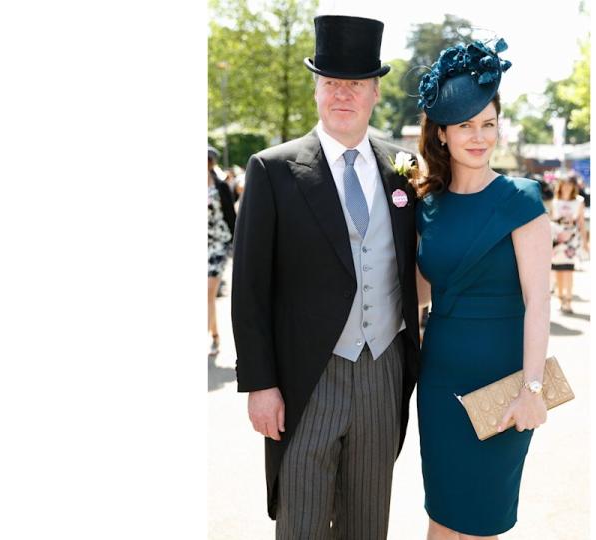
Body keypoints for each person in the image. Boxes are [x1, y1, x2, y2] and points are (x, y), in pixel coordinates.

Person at [230, 15, 420, 539]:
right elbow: (248, 289)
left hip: (384, 368)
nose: (343, 94)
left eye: (355, 83)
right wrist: (260, 383)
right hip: (305, 378)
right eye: (331, 82)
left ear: (375, 91)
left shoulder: (403, 166)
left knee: (367, 524)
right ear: (316, 87)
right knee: (303, 524)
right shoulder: (273, 169)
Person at [413, 38, 552, 538]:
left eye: (488, 124)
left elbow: (540, 300)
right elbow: (419, 294)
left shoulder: (521, 200)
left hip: (504, 384)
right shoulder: (427, 205)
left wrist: (533, 389)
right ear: (443, 134)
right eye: (466, 125)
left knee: (481, 521)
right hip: (439, 383)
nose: (479, 136)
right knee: (442, 516)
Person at [208, 145, 236, 355]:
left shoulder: (220, 187)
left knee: (208, 290)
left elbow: (231, 217)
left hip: (218, 245)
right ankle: (214, 334)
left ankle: (211, 336)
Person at [550, 171, 587, 314]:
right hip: (557, 240)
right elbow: (551, 221)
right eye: (564, 185)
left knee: (568, 271)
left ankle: (568, 299)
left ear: (573, 187)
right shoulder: (555, 201)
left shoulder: (579, 201)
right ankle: (560, 298)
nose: (566, 188)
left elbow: (582, 224)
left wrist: (585, 242)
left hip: (571, 242)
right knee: (558, 271)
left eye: (569, 185)